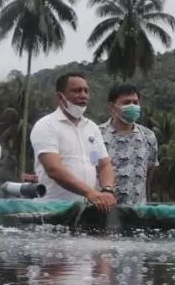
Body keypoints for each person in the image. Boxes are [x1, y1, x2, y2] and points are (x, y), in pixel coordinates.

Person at [29, 72, 117, 212]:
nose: (83, 95)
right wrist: (89, 193)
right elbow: (53, 169)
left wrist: (107, 189)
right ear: (60, 97)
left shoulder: (92, 128)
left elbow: (102, 164)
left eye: (86, 91)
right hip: (53, 211)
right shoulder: (46, 125)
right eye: (76, 91)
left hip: (87, 210)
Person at [99, 84, 158, 205]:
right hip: (104, 210)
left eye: (135, 103)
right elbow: (92, 165)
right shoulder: (96, 135)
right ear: (112, 106)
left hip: (138, 211)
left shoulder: (149, 136)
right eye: (126, 103)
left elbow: (150, 172)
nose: (132, 106)